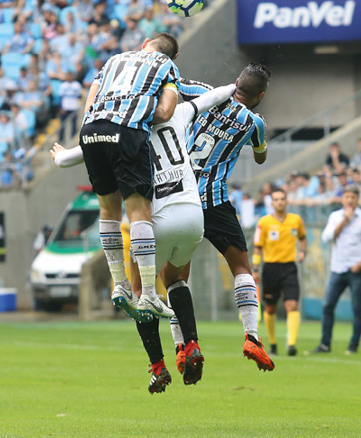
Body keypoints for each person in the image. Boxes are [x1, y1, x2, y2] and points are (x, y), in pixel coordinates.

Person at [51, 84, 237, 393]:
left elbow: (80, 155)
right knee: (176, 278)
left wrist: (60, 156)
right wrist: (236, 86)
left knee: (141, 292)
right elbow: (212, 97)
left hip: (156, 220)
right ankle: (190, 344)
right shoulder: (179, 113)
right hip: (192, 214)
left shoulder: (127, 128)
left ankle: (157, 366)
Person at [78, 33, 181, 321]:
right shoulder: (166, 66)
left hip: (91, 131)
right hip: (127, 131)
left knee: (107, 210)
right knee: (139, 212)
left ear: (146, 41)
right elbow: (164, 111)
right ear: (171, 57)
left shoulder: (113, 60)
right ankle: (148, 292)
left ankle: (120, 285)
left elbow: (88, 105)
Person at [184, 63, 275, 371]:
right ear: (260, 95)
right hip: (215, 202)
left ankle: (184, 345)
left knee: (175, 276)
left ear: (236, 82)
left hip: (180, 197)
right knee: (241, 267)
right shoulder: (254, 122)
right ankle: (252, 336)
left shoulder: (205, 94)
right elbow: (261, 156)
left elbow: (175, 86)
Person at [311, 185, 361, 355]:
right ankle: (325, 344)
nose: (349, 200)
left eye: (353, 197)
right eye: (346, 197)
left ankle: (353, 346)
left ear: (358, 199)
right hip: (337, 268)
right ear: (342, 198)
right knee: (327, 305)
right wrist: (344, 221)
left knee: (357, 308)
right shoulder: (335, 217)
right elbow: (327, 237)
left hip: (357, 270)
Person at [253, 188, 306, 356]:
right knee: (270, 308)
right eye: (276, 199)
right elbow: (257, 247)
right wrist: (255, 269)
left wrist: (302, 252)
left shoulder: (296, 220)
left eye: (283, 199)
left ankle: (291, 344)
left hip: (289, 267)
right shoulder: (264, 222)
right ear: (272, 203)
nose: (280, 202)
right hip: (270, 268)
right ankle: (273, 343)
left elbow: (303, 238)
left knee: (292, 305)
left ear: (287, 201)